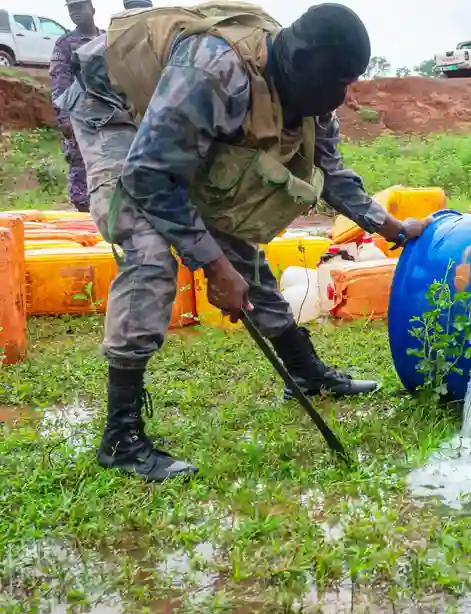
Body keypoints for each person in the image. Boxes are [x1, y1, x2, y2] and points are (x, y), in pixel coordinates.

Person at [56, 2, 431, 482]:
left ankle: (303, 370)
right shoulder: (215, 71)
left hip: (175, 115)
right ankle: (120, 434)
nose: (344, 94)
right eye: (339, 82)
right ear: (304, 65)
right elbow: (150, 176)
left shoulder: (312, 94)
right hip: (115, 106)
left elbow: (331, 173)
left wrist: (392, 228)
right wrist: (213, 267)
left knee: (230, 231)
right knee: (150, 251)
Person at [50, 0, 103, 212]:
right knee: (81, 175)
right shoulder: (65, 44)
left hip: (109, 116)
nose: (75, 13)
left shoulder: (108, 38)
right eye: (71, 9)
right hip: (79, 117)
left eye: (79, 7)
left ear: (92, 9)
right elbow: (59, 83)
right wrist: (64, 118)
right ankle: (84, 221)